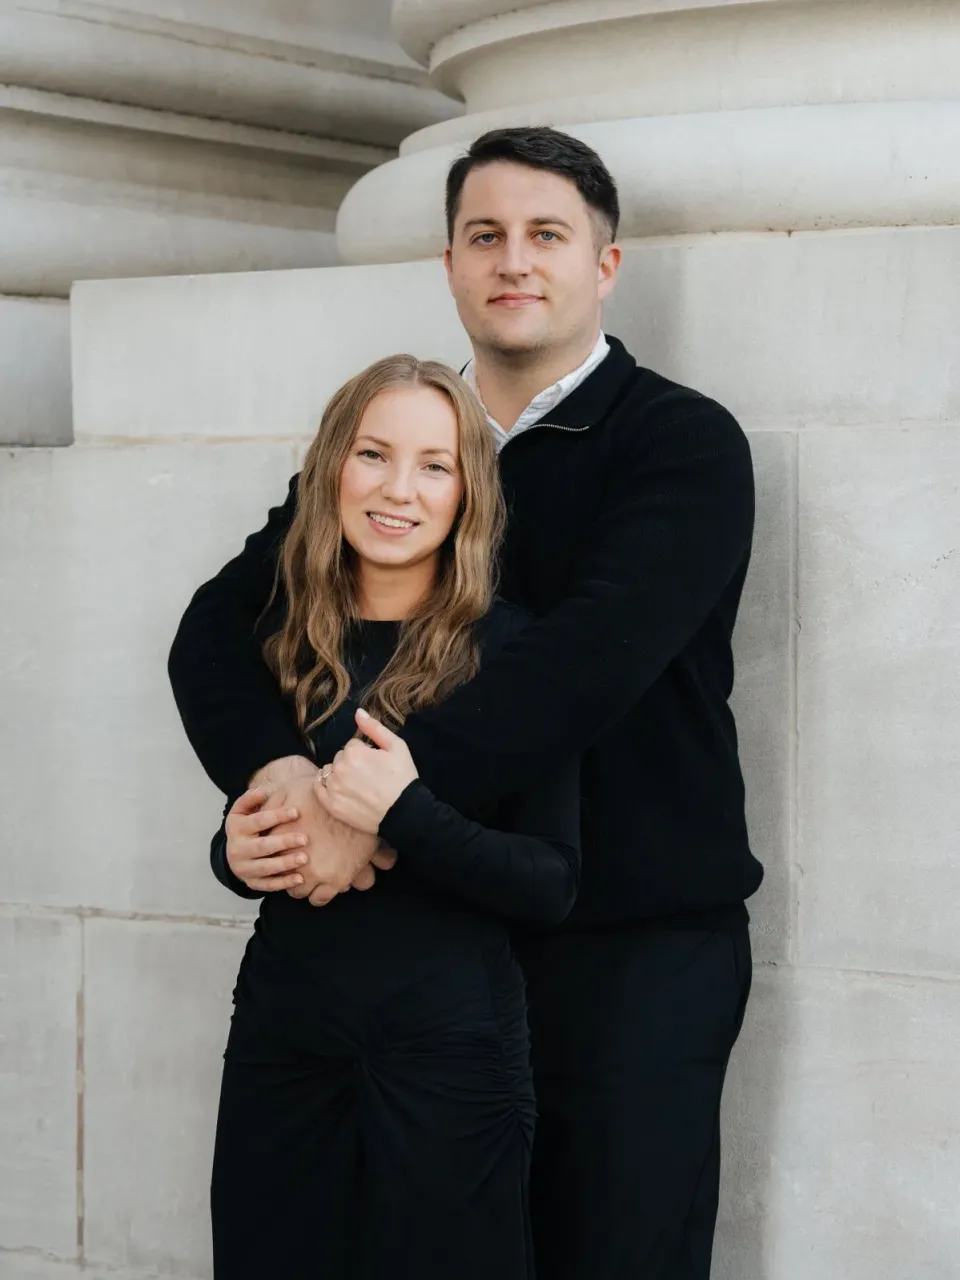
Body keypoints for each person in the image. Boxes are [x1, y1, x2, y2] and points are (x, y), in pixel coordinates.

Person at [169, 126, 763, 1279]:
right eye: (484, 235)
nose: (514, 260)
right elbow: (218, 625)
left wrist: (367, 798)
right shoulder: (397, 451)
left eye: (548, 234)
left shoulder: (682, 445)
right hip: (433, 948)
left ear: (606, 264)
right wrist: (282, 775)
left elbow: (578, 667)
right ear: (448, 263)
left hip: (629, 954)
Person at [201, 354, 580, 1279]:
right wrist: (235, 853)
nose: (397, 489)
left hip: (451, 1051)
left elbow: (551, 882)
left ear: (468, 493)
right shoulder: (283, 639)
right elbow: (259, 827)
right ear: (333, 466)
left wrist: (406, 812)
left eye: (435, 464)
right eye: (374, 454)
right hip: (284, 1036)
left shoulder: (515, 650)